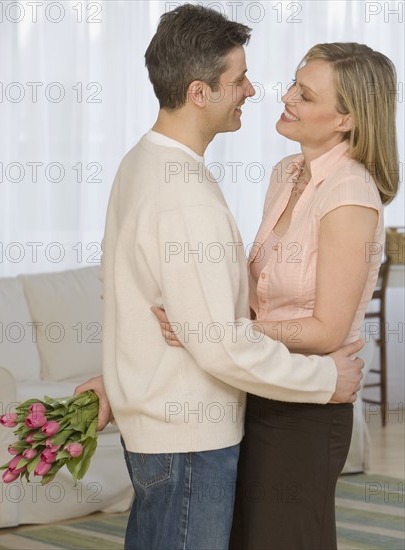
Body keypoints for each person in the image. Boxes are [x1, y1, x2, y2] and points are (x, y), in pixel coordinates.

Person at [75, 7, 365, 550]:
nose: (253, 91)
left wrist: (120, 381)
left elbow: (129, 297)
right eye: (238, 80)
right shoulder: (185, 193)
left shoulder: (140, 163)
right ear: (199, 92)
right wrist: (325, 380)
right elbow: (220, 344)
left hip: (163, 428)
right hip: (190, 437)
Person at [155, 42, 399, 549]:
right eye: (293, 83)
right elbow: (256, 293)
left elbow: (327, 331)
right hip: (260, 385)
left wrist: (219, 332)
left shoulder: (349, 194)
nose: (285, 96)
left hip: (307, 407)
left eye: (305, 95)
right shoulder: (286, 173)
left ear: (346, 120)